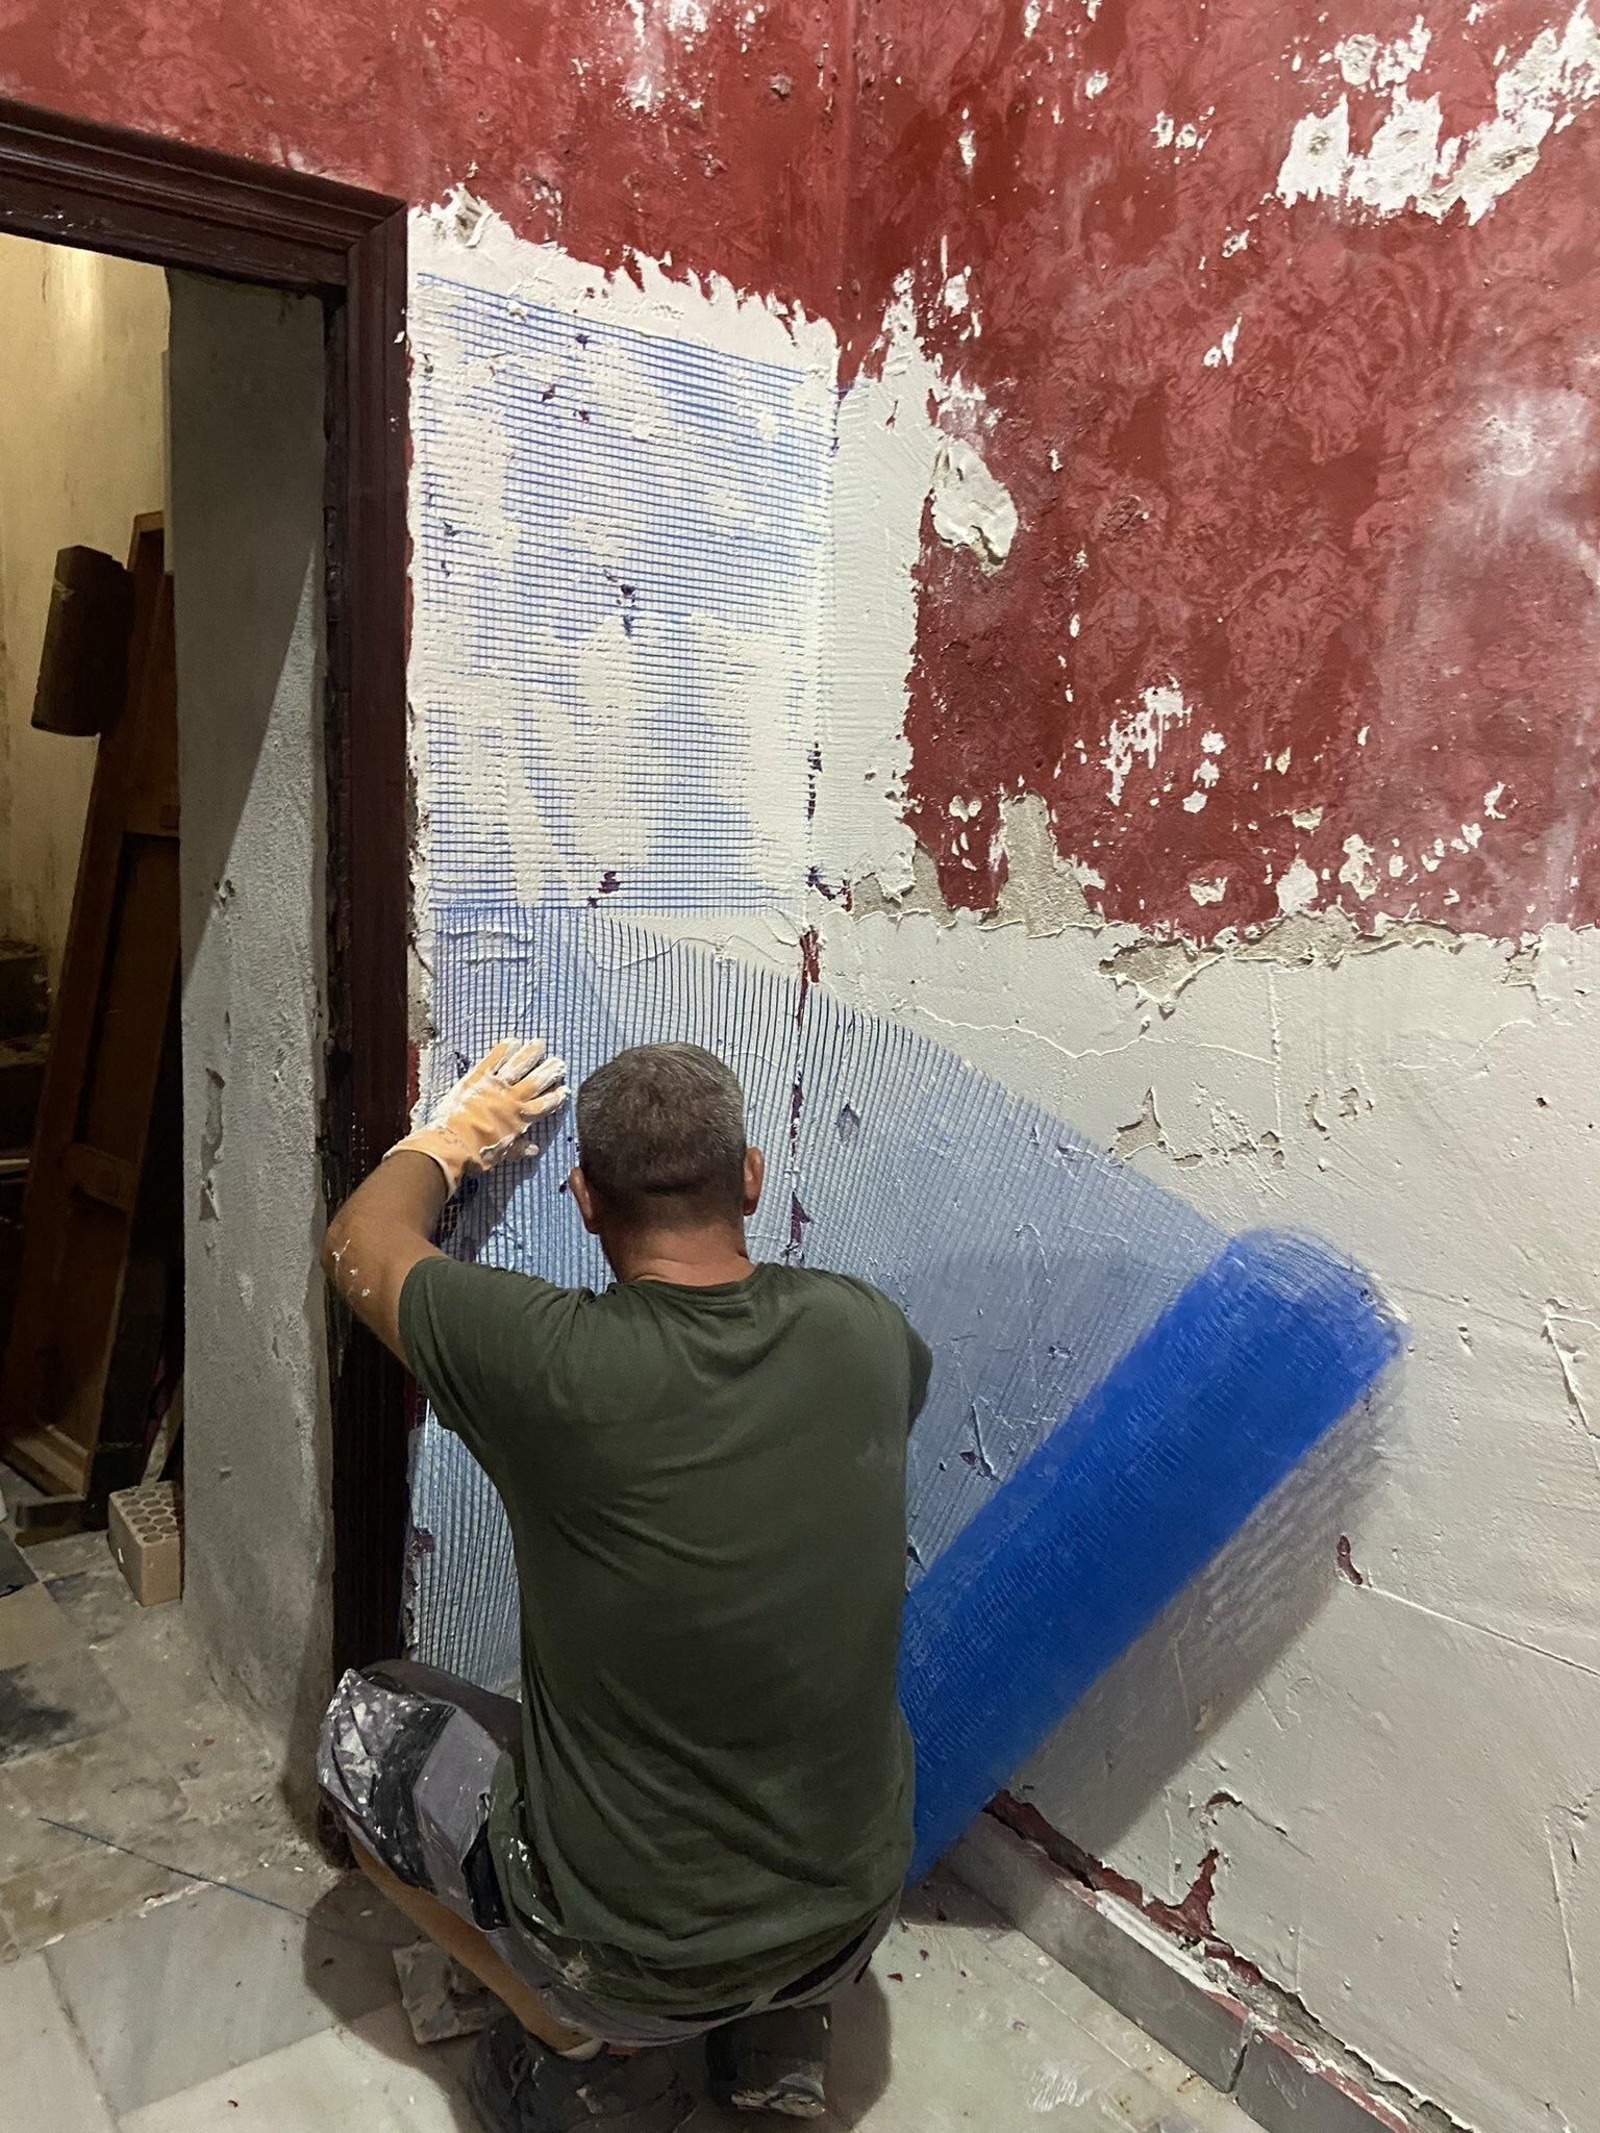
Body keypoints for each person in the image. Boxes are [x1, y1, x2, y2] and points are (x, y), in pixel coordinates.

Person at [317, 1036, 931, 2133]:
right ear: (749, 1175)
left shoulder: (550, 1366)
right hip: (852, 1914)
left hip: (628, 1960)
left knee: (365, 1726)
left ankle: (571, 2033)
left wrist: (455, 1134)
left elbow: (361, 1241)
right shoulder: (868, 1334)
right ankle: (777, 2036)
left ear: (586, 1201)